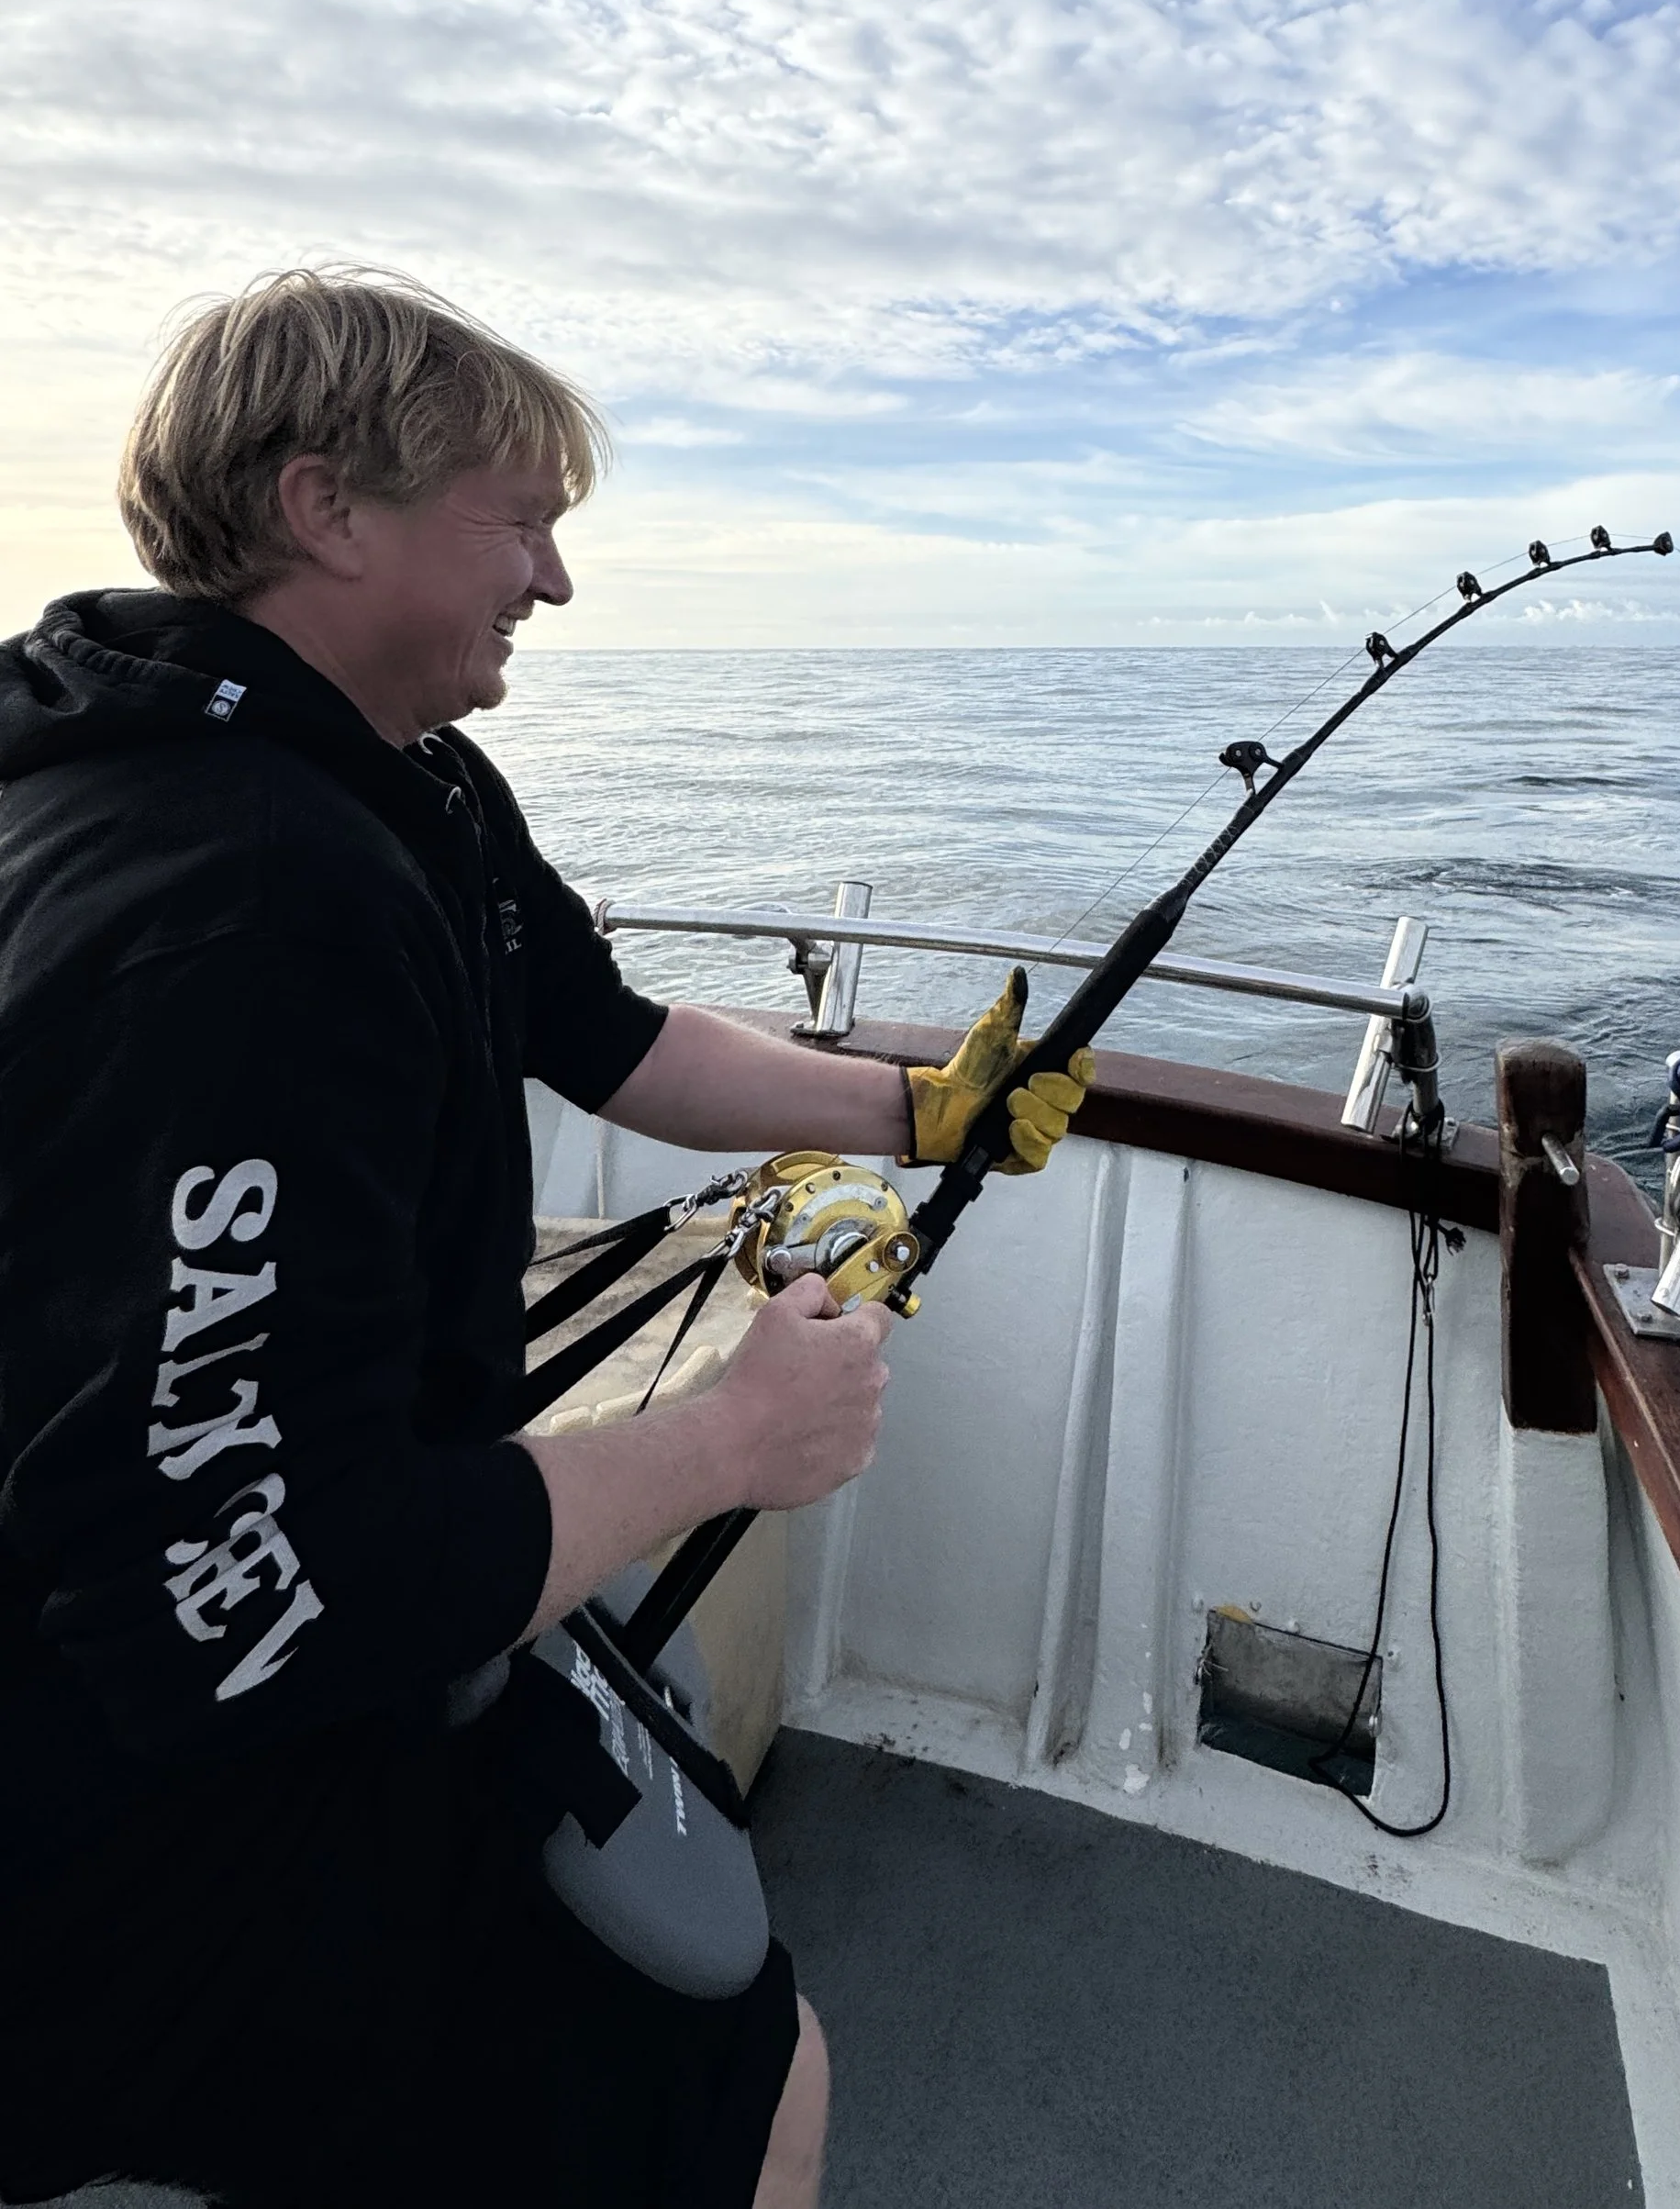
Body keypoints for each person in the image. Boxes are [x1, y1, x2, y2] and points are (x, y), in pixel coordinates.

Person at [0, 268, 1092, 2209]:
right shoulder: (246, 909)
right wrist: (723, 1446)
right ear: (330, 507)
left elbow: (608, 1035)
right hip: (140, 1812)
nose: (559, 583)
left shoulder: (392, 778)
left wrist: (910, 1111)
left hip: (311, 1627)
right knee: (741, 2071)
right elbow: (265, 1584)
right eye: (523, 521)